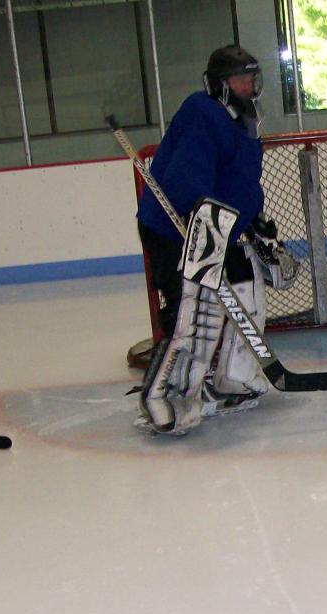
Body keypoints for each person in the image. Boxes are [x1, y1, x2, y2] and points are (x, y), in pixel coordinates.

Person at [134, 45, 297, 435]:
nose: (248, 86)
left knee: (249, 287)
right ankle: (166, 397)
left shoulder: (245, 120)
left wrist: (254, 223)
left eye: (251, 79)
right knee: (196, 311)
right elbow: (190, 180)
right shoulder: (201, 111)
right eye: (240, 79)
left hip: (218, 227)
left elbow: (240, 181)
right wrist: (201, 229)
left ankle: (234, 378)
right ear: (219, 85)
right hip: (180, 228)